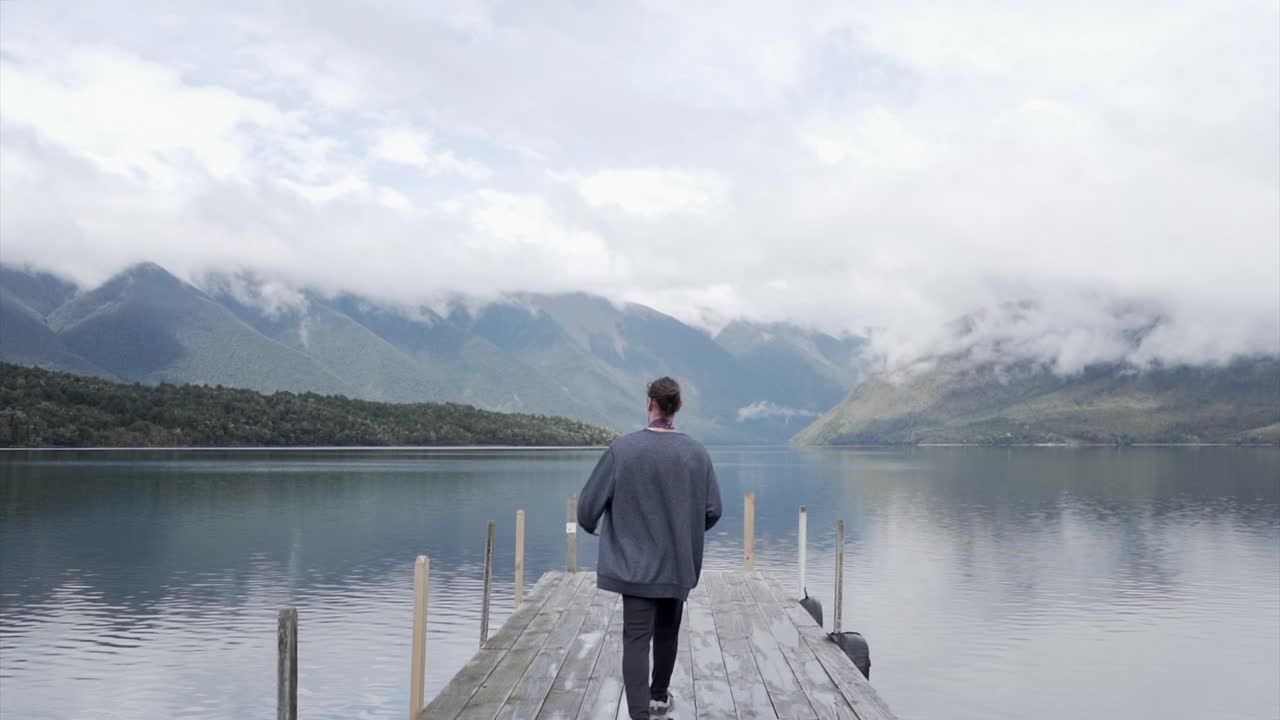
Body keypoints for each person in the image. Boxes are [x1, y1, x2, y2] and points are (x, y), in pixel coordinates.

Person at [578, 376, 723, 720]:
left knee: (636, 638)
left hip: (634, 568)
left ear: (650, 404)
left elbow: (587, 509)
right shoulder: (697, 453)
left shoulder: (622, 450)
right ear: (678, 407)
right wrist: (683, 533)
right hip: (677, 564)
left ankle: (639, 714)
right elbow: (713, 510)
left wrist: (592, 526)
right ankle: (658, 698)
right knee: (668, 632)